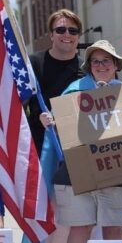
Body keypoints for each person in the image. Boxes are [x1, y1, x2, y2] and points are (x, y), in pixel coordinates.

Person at [40, 39, 122, 243]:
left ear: (116, 65)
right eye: (96, 61)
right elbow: (62, 128)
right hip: (76, 171)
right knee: (80, 228)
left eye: (106, 61)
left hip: (117, 170)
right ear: (89, 66)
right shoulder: (73, 90)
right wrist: (51, 122)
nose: (101, 66)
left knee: (114, 227)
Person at [26, 9, 84, 152]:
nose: (67, 34)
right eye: (60, 30)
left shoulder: (86, 67)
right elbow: (18, 105)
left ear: (78, 36)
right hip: (41, 145)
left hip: (78, 145)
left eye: (73, 31)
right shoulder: (33, 63)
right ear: (51, 35)